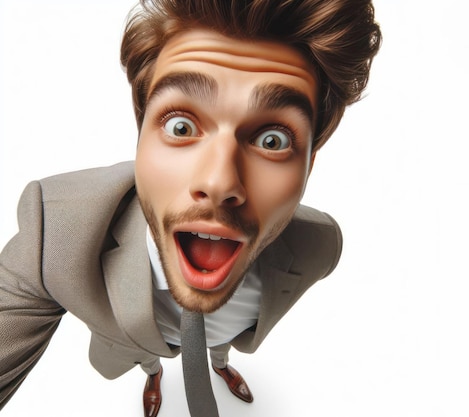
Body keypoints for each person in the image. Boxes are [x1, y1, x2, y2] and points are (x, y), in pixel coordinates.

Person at [0, 0, 381, 416]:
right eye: (181, 127)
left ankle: (220, 363)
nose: (218, 183)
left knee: (218, 339)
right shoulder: (55, 233)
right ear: (141, 132)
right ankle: (153, 375)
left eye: (273, 140)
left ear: (310, 161)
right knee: (147, 353)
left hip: (220, 337)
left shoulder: (320, 247)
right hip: (136, 342)